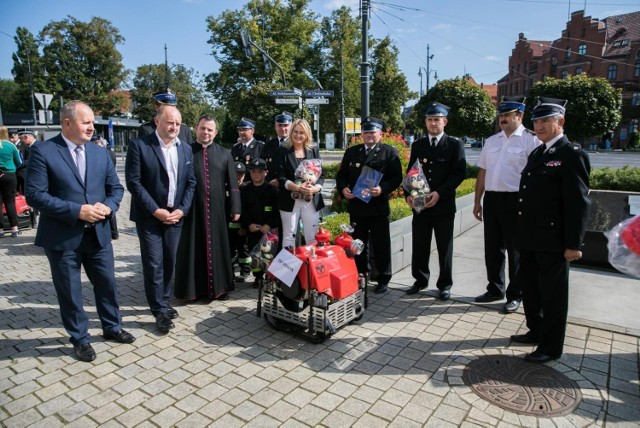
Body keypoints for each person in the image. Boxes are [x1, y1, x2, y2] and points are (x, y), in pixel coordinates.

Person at [25, 101, 134, 362]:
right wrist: (77, 211)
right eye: (85, 122)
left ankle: (112, 327)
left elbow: (116, 189)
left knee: (107, 284)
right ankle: (80, 339)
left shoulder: (99, 153)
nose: (91, 126)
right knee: (70, 292)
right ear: (66, 123)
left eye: (92, 121)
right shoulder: (43, 151)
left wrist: (107, 207)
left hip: (98, 234)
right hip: (63, 238)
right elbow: (35, 195)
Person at [510, 97, 590, 363]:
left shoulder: (572, 154)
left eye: (545, 120)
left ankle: (551, 346)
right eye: (536, 121)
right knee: (531, 290)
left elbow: (578, 203)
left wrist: (574, 244)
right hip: (530, 237)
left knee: (553, 296)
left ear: (560, 122)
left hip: (553, 240)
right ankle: (536, 331)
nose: (540, 126)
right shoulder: (538, 152)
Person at [125, 104, 196, 333]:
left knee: (169, 262)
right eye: (170, 122)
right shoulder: (139, 146)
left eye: (177, 123)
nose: (174, 127)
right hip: (150, 217)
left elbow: (191, 183)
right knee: (154, 263)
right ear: (157, 122)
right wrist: (155, 210)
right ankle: (158, 310)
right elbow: (134, 183)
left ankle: (163, 301)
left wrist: (183, 209)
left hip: (175, 217)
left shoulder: (185, 149)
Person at [473, 96, 540, 313]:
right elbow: (482, 172)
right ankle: (495, 288)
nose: (502, 119)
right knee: (492, 248)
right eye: (501, 115)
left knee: (515, 251)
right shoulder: (492, 141)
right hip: (492, 199)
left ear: (519, 116)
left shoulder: (531, 141)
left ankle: (515, 294)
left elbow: (535, 175)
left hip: (515, 201)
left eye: (507, 115)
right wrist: (477, 201)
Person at [174, 114, 241, 302]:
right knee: (192, 248)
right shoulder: (185, 151)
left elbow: (233, 184)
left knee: (219, 247)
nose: (206, 132)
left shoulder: (225, 153)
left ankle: (220, 289)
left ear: (216, 132)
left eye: (210, 129)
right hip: (192, 209)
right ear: (196, 128)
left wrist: (236, 207)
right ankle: (192, 291)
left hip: (218, 210)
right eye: (203, 128)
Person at [405, 102, 466, 301]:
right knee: (420, 244)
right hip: (421, 205)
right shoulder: (418, 145)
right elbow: (412, 172)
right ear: (425, 122)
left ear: (444, 121)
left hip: (443, 206)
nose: (433, 123)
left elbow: (458, 174)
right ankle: (420, 280)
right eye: (430, 120)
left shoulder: (454, 145)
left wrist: (439, 193)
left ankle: (444, 285)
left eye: (437, 120)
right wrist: (408, 194)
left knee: (444, 247)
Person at [336, 116, 403, 294]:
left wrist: (382, 188)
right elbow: (341, 175)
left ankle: (383, 278)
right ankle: (361, 274)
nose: (368, 135)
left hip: (378, 207)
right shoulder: (352, 152)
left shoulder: (389, 152)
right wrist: (343, 189)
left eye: (372, 132)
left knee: (381, 244)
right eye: (365, 131)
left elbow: (396, 177)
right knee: (358, 243)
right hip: (357, 207)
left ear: (380, 133)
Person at [275, 118, 324, 248]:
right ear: (291, 133)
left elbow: (321, 175)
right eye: (295, 132)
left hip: (311, 199)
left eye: (302, 132)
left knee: (312, 237)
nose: (298, 135)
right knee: (289, 236)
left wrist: (315, 189)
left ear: (307, 134)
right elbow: (280, 176)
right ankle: (288, 268)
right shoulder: (283, 150)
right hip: (289, 199)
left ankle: (310, 267)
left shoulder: (313, 149)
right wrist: (296, 187)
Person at [241, 158, 279, 288]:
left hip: (268, 229)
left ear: (266, 173)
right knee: (254, 256)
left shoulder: (271, 190)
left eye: (260, 171)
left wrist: (268, 225)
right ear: (250, 173)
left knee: (268, 254)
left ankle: (269, 276)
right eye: (253, 171)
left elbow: (276, 210)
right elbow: (243, 210)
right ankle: (257, 277)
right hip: (253, 229)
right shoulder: (245, 190)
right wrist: (249, 224)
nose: (256, 174)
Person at [91, 134, 119, 240]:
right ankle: (114, 232)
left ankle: (112, 231)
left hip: (101, 185)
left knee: (106, 207)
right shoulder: (110, 152)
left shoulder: (103, 154)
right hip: (107, 185)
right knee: (109, 208)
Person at [228, 161, 251, 281]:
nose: (238, 177)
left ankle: (245, 271)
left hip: (243, 227)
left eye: (241, 174)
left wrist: (245, 226)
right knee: (230, 250)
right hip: (229, 227)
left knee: (244, 250)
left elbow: (248, 209)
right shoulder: (226, 187)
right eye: (236, 174)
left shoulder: (247, 188)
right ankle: (230, 272)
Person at [0, 126, 23, 237]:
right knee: (10, 202)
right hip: (9, 176)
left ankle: (0, 231)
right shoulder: (10, 145)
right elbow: (19, 162)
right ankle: (14, 229)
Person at [263, 111, 293, 185]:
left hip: (290, 187)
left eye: (286, 125)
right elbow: (263, 166)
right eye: (279, 125)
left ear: (291, 126)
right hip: (270, 186)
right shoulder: (268, 145)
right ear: (275, 127)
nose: (283, 129)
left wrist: (280, 181)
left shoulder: (295, 145)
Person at [231, 118, 264, 183]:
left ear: (252, 131)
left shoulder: (260, 147)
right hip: (237, 186)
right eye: (239, 130)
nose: (241, 132)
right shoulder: (235, 148)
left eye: (244, 129)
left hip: (254, 185)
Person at [16, 129, 36, 194]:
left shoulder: (37, 146)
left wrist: (19, 163)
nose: (21, 142)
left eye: (21, 139)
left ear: (26, 137)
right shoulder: (30, 146)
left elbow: (30, 160)